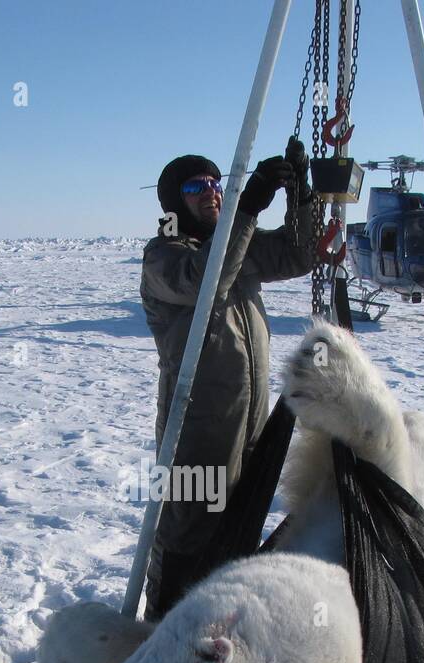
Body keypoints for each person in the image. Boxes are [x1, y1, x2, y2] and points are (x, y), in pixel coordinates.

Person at [140, 137, 315, 618]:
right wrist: (249, 206)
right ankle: (161, 633)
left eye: (218, 183)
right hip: (196, 429)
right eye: (197, 185)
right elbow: (206, 278)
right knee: (186, 533)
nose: (212, 191)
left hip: (248, 425)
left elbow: (300, 255)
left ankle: (214, 638)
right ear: (176, 200)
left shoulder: (237, 245)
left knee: (238, 528)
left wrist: (300, 196)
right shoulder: (163, 258)